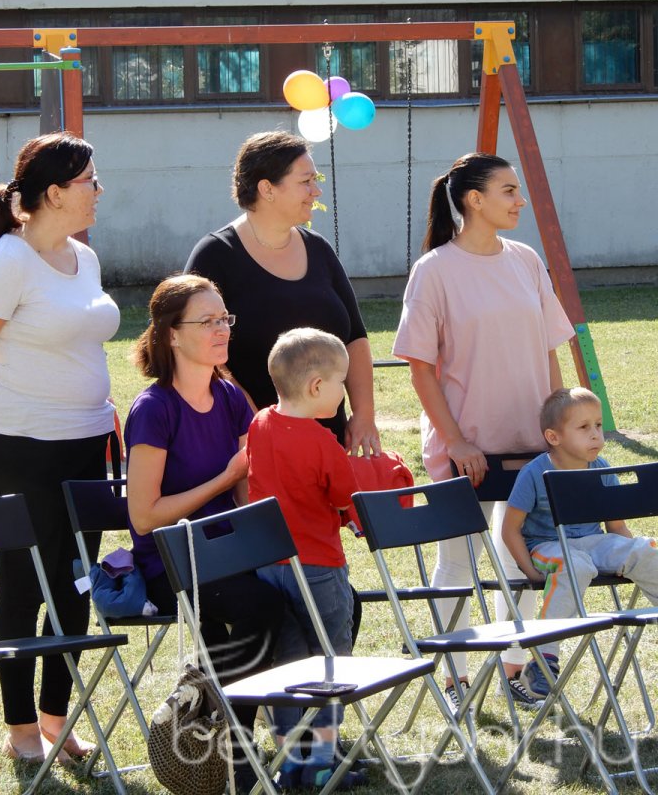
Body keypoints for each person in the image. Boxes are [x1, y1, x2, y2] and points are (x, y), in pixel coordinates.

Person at [0, 131, 120, 763]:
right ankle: (20, 732)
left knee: (74, 584)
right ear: (53, 192)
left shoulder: (84, 257)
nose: (99, 191)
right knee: (23, 584)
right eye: (89, 181)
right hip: (16, 445)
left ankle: (53, 719)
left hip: (86, 442)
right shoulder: (9, 261)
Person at [392, 151, 575, 712]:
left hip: (532, 445)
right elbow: (420, 367)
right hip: (466, 450)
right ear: (474, 200)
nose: (519, 201)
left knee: (524, 557)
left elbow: (549, 351)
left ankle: (517, 665)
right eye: (508, 191)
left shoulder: (525, 261)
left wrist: (561, 428)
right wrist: (457, 442)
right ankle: (454, 679)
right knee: (458, 563)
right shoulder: (435, 270)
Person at [124, 273, 285, 785]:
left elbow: (244, 492)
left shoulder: (232, 396)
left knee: (326, 594)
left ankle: (299, 740)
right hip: (171, 562)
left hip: (228, 553)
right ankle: (233, 752)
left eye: (225, 319)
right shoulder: (153, 409)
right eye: (208, 321)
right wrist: (225, 477)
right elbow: (144, 516)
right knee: (257, 607)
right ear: (172, 333)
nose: (223, 330)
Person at [184, 130, 380, 458]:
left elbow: (356, 338)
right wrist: (253, 423)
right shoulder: (215, 256)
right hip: (250, 444)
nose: (316, 191)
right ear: (267, 189)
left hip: (329, 442)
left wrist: (364, 414)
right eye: (306, 181)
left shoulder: (318, 249)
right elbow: (197, 351)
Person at [246, 328, 365, 791]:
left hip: (270, 565)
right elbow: (343, 496)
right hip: (317, 564)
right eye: (341, 383)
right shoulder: (322, 443)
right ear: (318, 387)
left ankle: (290, 754)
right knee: (329, 660)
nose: (343, 393)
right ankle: (322, 755)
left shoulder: (259, 425)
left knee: (288, 660)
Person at [503, 387, 658, 698]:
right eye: (584, 427)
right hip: (547, 547)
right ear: (554, 436)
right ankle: (545, 661)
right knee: (576, 566)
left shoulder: (602, 469)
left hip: (593, 541)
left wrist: (630, 558)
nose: (596, 435)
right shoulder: (534, 473)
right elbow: (510, 529)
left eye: (598, 425)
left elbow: (616, 528)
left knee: (647, 548)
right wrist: (531, 573)